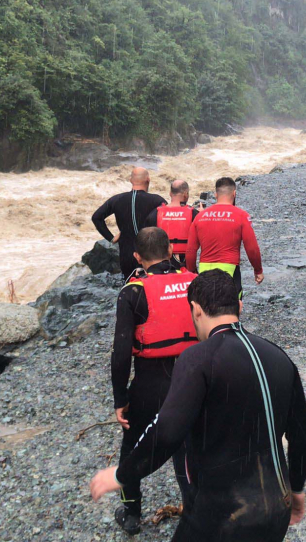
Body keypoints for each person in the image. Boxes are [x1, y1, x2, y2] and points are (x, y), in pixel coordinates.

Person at [91, 269, 306, 542]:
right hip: (276, 508)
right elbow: (302, 434)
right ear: (239, 306)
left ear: (196, 310)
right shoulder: (279, 356)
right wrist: (298, 489)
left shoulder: (198, 359)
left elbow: (167, 431)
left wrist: (122, 474)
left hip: (222, 515)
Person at [110, 227, 199, 535]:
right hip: (194, 378)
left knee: (132, 447)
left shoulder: (133, 292)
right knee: (189, 446)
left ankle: (132, 513)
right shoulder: (194, 282)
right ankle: (197, 508)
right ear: (171, 251)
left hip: (151, 383)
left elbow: (121, 352)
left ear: (137, 257)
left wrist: (120, 400)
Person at [186, 177, 263, 297]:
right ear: (234, 193)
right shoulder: (241, 215)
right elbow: (252, 248)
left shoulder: (200, 217)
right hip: (230, 270)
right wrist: (258, 270)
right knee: (231, 308)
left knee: (207, 308)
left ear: (216, 194)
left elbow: (190, 250)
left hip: (205, 270)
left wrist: (192, 272)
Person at [92, 167, 167, 278]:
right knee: (153, 288)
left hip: (127, 255)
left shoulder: (117, 199)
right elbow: (167, 222)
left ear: (131, 180)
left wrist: (111, 238)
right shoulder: (157, 200)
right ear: (148, 179)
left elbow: (96, 217)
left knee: (130, 288)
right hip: (151, 255)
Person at [146, 180, 199, 269]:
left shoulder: (155, 213)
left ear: (170, 193)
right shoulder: (194, 213)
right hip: (185, 261)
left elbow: (147, 239)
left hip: (162, 261)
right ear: (186, 194)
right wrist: (201, 214)